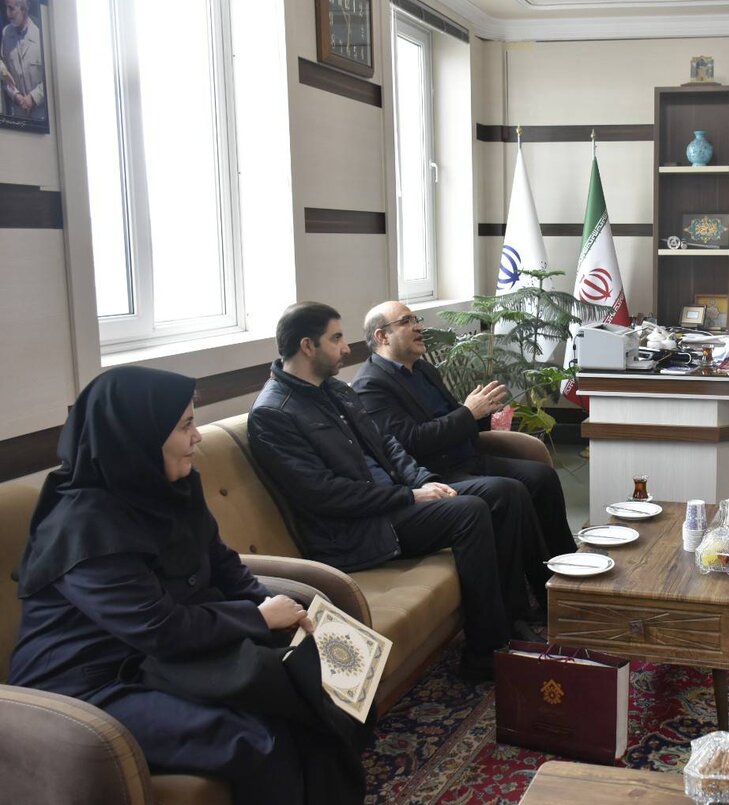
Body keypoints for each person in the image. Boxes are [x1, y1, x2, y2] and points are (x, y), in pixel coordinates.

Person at [8, 366, 368, 804]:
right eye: (185, 426)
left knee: (311, 689)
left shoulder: (172, 485)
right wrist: (257, 617)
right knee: (256, 740)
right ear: (137, 435)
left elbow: (224, 566)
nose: (197, 437)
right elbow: (158, 627)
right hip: (91, 686)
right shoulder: (83, 525)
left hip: (160, 658)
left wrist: (277, 606)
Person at [247, 302, 538, 683]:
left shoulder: (335, 390)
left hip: (393, 503)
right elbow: (324, 495)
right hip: (356, 530)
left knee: (499, 495)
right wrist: (409, 497)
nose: (346, 347)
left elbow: (388, 445)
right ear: (307, 345)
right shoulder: (274, 414)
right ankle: (485, 653)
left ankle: (515, 618)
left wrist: (424, 481)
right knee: (469, 511)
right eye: (336, 338)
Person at [353, 301, 576, 562]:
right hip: (435, 472)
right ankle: (538, 578)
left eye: (416, 320)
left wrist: (484, 410)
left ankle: (568, 563)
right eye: (406, 322)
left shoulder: (424, 369)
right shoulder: (370, 384)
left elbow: (456, 418)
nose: (418, 327)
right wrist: (469, 413)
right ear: (382, 336)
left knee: (542, 477)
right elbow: (410, 442)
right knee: (509, 491)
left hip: (467, 459)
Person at [2, 0, 45, 120]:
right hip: (18, 116)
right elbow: (4, 74)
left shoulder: (40, 34)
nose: (8, 13)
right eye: (6, 7)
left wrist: (33, 97)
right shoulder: (6, 34)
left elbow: (51, 77)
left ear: (24, 8)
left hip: (41, 116)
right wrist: (16, 95)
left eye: (11, 8)